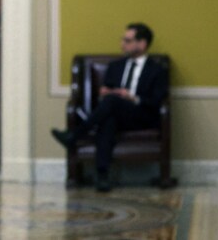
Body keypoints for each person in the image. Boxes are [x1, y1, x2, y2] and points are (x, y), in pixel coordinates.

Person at [51, 23, 168, 192]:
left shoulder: (157, 69)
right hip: (116, 113)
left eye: (127, 40)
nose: (122, 44)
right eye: (123, 40)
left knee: (112, 103)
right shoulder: (116, 66)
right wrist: (105, 93)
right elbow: (106, 93)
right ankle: (102, 176)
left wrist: (131, 97)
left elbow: (156, 101)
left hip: (142, 115)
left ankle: (75, 135)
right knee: (108, 119)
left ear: (142, 44)